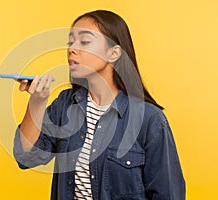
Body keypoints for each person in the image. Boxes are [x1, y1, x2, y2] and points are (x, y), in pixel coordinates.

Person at [13, 10, 186, 200]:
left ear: (113, 53)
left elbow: (169, 194)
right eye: (70, 42)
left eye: (84, 42)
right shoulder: (64, 104)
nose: (72, 49)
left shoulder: (149, 119)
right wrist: (37, 102)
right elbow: (26, 158)